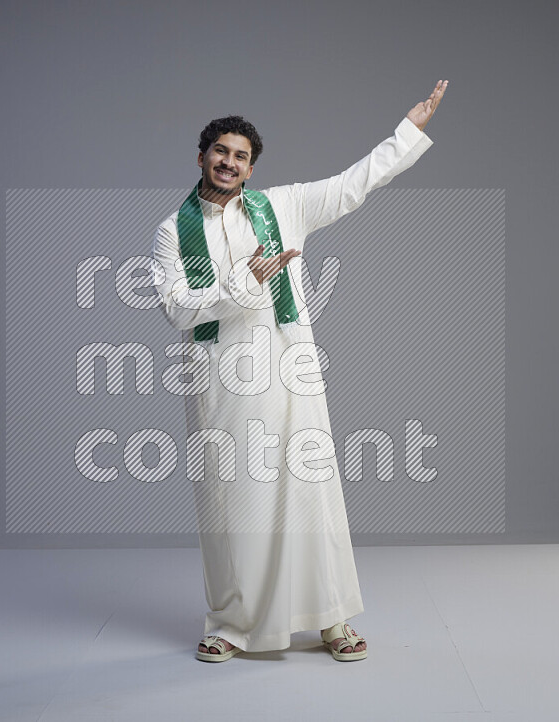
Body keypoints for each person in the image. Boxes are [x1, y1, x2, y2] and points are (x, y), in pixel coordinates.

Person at [150, 80, 448, 662]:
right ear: (202, 157)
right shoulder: (171, 230)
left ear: (252, 169)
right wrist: (245, 282)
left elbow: (353, 184)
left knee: (311, 493)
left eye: (241, 157)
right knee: (231, 500)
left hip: (288, 365)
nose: (229, 163)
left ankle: (331, 618)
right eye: (221, 152)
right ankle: (232, 624)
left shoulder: (283, 207)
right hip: (220, 378)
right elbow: (176, 308)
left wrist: (408, 130)